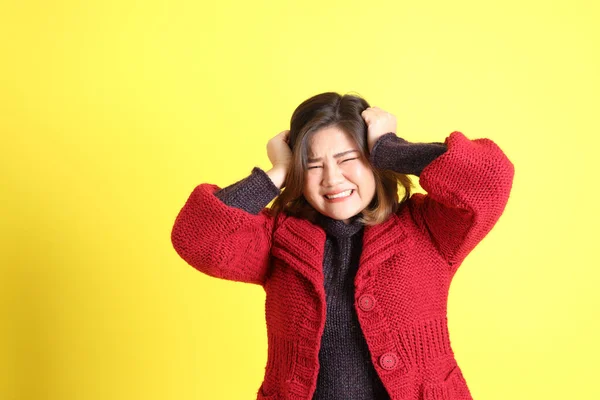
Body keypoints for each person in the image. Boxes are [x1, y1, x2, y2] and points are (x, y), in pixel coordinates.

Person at [170, 92, 515, 400]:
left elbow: (490, 176)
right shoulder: (279, 239)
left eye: (348, 158)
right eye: (314, 165)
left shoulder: (428, 229)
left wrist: (391, 148)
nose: (332, 179)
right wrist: (279, 172)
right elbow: (196, 236)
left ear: (373, 161)